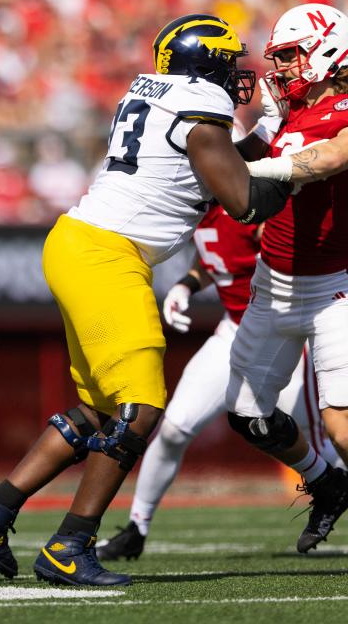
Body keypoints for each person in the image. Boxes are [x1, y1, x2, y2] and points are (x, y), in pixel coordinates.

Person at [0, 13, 295, 587]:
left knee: (99, 411)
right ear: (204, 64)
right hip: (106, 256)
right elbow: (243, 201)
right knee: (140, 409)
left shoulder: (163, 95)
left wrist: (266, 135)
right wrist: (296, 165)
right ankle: (69, 545)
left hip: (83, 245)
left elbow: (220, 157)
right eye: (228, 61)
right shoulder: (200, 110)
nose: (239, 73)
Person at [97, 203, 344, 561]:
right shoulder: (200, 206)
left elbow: (284, 248)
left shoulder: (248, 203)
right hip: (232, 329)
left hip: (279, 333)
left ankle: (333, 490)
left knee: (322, 439)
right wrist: (187, 284)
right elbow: (220, 257)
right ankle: (137, 527)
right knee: (174, 428)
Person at [224, 3, 348, 554]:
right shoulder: (287, 110)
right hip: (273, 283)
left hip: (334, 286)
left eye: (291, 56)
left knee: (341, 423)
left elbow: (327, 158)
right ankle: (326, 483)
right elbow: (229, 161)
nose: (282, 69)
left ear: (327, 49)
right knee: (248, 415)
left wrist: (255, 170)